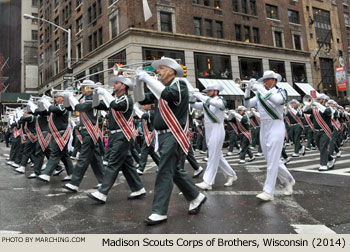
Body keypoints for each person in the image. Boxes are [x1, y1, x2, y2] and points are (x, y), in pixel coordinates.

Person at [136, 57, 206, 225]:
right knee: (173, 170)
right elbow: (140, 99)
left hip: (174, 134)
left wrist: (148, 79)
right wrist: (138, 82)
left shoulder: (179, 85)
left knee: (164, 171)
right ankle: (196, 196)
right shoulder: (159, 89)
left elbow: (168, 95)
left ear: (171, 71)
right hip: (162, 136)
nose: (157, 71)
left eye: (160, 68)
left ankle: (159, 211)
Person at [87, 76, 146, 203]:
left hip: (122, 135)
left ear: (124, 86)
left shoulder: (126, 99)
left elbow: (115, 105)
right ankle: (138, 188)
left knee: (112, 163)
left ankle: (102, 192)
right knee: (127, 165)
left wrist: (105, 93)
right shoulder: (116, 99)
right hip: (115, 136)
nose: (114, 85)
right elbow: (96, 105)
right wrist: (97, 93)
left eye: (117, 83)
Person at [244, 70, 295, 201]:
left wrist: (259, 88)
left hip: (276, 126)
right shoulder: (261, 94)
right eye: (264, 80)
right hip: (264, 127)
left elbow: (278, 101)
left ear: (275, 81)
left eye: (267, 79)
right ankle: (289, 180)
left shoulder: (281, 91)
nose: (265, 82)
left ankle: (268, 191)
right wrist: (248, 90)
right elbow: (247, 104)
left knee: (272, 161)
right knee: (271, 159)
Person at [190, 83, 237, 190]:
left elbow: (216, 103)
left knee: (212, 155)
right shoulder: (207, 102)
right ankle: (231, 175)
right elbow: (193, 105)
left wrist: (199, 95)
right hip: (209, 129)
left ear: (216, 91)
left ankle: (208, 181)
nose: (207, 92)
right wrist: (193, 95)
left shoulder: (220, 100)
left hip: (217, 128)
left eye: (210, 90)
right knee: (217, 156)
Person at [62, 80, 105, 192]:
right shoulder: (84, 99)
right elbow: (69, 108)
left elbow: (79, 108)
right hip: (86, 131)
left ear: (88, 88)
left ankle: (74, 183)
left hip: (89, 131)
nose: (81, 89)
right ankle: (103, 181)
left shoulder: (92, 99)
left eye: (83, 87)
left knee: (83, 158)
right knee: (95, 159)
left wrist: (71, 97)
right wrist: (67, 98)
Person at [37, 92, 74, 182]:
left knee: (55, 154)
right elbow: (43, 112)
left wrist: (46, 101)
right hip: (56, 134)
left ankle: (46, 174)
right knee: (64, 156)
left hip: (61, 135)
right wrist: (41, 103)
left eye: (57, 97)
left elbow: (52, 108)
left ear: (62, 99)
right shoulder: (57, 108)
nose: (56, 99)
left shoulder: (63, 107)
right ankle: (72, 174)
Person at [303, 94, 335, 171]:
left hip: (325, 131)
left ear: (324, 100)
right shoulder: (315, 109)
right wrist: (308, 104)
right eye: (318, 99)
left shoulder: (329, 108)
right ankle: (330, 159)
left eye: (320, 99)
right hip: (317, 132)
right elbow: (304, 110)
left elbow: (326, 112)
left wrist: (316, 104)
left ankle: (323, 165)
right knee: (320, 148)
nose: (318, 101)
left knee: (323, 147)